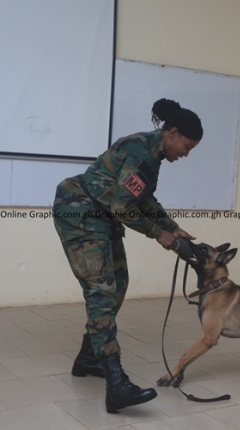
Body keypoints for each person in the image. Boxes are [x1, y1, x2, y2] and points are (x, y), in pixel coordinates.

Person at [52, 98, 203, 413]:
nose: (186, 154)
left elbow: (143, 198)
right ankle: (116, 385)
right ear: (172, 133)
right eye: (186, 147)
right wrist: (158, 234)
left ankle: (88, 359)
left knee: (118, 282)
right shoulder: (141, 153)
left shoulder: (152, 150)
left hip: (100, 212)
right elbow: (123, 207)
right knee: (102, 290)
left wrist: (172, 227)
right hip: (80, 210)